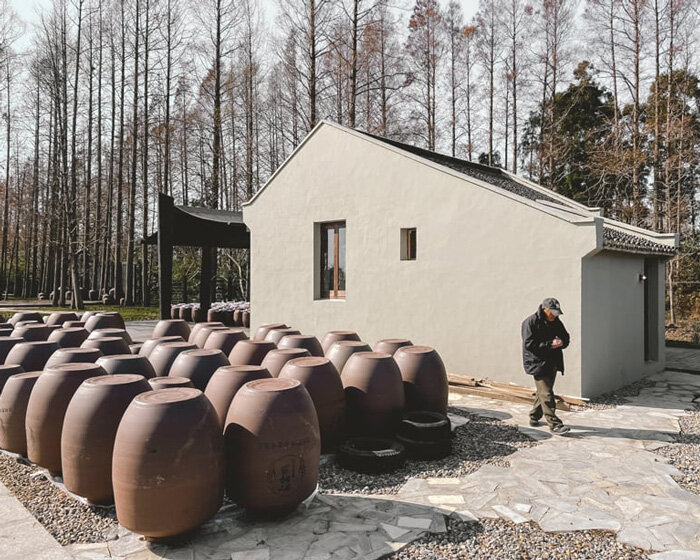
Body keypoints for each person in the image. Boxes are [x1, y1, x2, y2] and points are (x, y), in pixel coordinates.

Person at [521, 298, 570, 435]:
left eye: (557, 313)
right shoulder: (530, 323)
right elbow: (529, 345)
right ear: (544, 309)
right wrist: (550, 344)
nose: (555, 315)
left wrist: (562, 342)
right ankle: (554, 424)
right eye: (553, 313)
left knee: (543, 392)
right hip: (537, 363)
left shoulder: (556, 321)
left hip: (552, 361)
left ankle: (534, 416)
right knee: (547, 393)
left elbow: (565, 337)